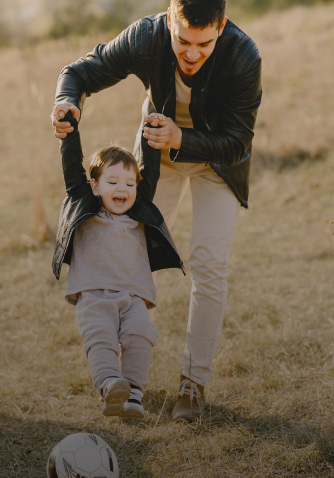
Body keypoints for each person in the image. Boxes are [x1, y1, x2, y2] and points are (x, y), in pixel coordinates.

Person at [51, 0, 262, 422]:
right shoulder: (145, 36)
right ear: (169, 19)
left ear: (220, 26)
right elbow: (79, 73)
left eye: (203, 44)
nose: (190, 53)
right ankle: (117, 380)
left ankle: (193, 382)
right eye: (182, 40)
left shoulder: (244, 55)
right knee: (126, 252)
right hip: (153, 162)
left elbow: (238, 139)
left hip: (218, 165)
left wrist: (182, 137)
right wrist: (66, 102)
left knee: (208, 263)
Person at [52, 110, 184, 418]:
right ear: (95, 186)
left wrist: (151, 128)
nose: (122, 189)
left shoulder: (139, 212)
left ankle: (134, 394)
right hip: (94, 295)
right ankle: (111, 387)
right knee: (101, 340)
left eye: (129, 183)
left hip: (133, 296)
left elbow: (149, 171)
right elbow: (72, 167)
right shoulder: (86, 206)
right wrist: (69, 130)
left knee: (140, 336)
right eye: (112, 182)